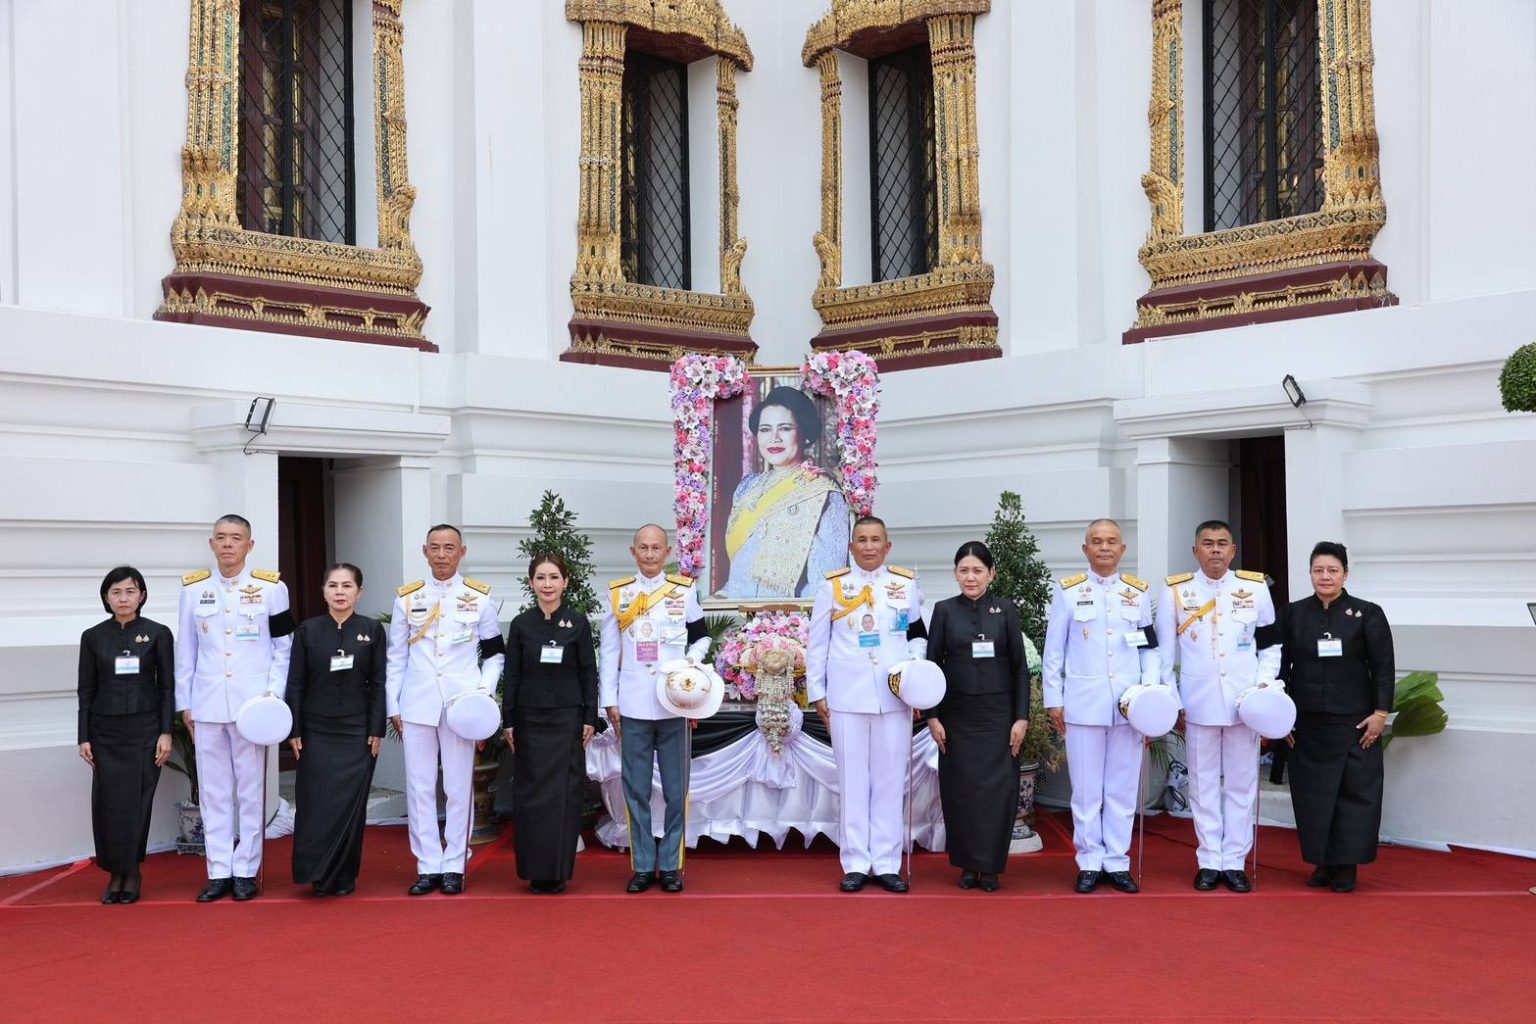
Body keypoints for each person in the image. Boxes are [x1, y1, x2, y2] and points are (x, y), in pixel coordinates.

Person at [1154, 520, 1281, 893]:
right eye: (1207, 543)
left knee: (1242, 785)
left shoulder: (1254, 588)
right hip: (1198, 703)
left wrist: (1263, 688)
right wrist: (1172, 699)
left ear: (1233, 550)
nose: (1215, 550)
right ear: (1195, 550)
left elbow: (1270, 645)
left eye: (1222, 543)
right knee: (1203, 785)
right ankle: (1210, 860)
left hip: (1245, 703)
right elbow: (1164, 654)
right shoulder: (1176, 590)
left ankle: (1235, 861)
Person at [806, 515, 927, 893]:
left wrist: (914, 672)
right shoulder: (833, 586)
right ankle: (856, 862)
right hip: (847, 698)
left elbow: (917, 634)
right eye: (862, 539)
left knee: (890, 782)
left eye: (876, 540)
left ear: (887, 546)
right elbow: (817, 644)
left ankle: (887, 863)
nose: (869, 546)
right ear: (851, 546)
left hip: (894, 698)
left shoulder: (904, 585)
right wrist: (818, 693)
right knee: (853, 783)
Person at [176, 514, 294, 902]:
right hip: (208, 704)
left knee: (251, 791)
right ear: (212, 544)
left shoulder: (271, 589)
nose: (228, 544)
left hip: (252, 707)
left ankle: (245, 870)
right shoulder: (194, 590)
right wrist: (185, 703)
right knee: (213, 793)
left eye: (236, 538)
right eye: (221, 538)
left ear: (249, 545)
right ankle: (219, 871)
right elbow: (186, 651)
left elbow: (283, 647)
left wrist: (272, 697)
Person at [1042, 519, 1160, 894]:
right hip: (1083, 705)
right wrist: (1054, 699)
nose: (1104, 547)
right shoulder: (1068, 592)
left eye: (1111, 541)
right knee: (1087, 790)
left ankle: (1117, 861)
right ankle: (1090, 861)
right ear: (1086, 549)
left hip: (1129, 707)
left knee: (1122, 789)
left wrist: (1149, 695)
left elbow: (1149, 649)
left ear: (1122, 549)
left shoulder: (1136, 593)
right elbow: (1053, 650)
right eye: (1097, 541)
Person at [387, 524, 505, 897]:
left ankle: (454, 862)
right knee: (419, 786)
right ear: (425, 551)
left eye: (449, 547)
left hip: (462, 705)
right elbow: (395, 657)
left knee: (457, 786)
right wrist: (393, 704)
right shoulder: (408, 598)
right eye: (435, 547)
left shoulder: (479, 597)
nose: (442, 554)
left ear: (462, 552)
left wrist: (482, 694)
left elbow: (495, 655)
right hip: (417, 703)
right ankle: (427, 865)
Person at [1278, 541, 1395, 893]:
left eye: (1332, 570)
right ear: (1310, 574)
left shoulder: (1367, 613)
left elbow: (1383, 667)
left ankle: (1346, 866)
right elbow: (1279, 667)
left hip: (1354, 723)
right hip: (1307, 724)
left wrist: (1380, 713)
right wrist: (1281, 717)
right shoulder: (1294, 614)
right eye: (1319, 570)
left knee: (1352, 795)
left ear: (1345, 574)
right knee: (1313, 796)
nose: (1325, 576)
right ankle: (1322, 862)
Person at [601, 525, 711, 893]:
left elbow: (701, 636)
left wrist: (690, 664)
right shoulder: (619, 594)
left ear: (668, 552)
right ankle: (644, 865)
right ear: (633, 552)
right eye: (643, 548)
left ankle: (672, 865)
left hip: (674, 704)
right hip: (632, 704)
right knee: (635, 790)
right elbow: (609, 652)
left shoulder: (684, 590)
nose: (649, 554)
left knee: (677, 790)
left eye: (656, 548)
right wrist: (609, 700)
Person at [925, 541, 1028, 892]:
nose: (971, 577)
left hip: (998, 717)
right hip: (956, 718)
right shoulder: (943, 611)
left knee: (996, 793)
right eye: (964, 570)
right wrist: (933, 717)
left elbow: (1020, 668)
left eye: (978, 571)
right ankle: (967, 865)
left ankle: (991, 866)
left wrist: (1021, 718)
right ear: (955, 574)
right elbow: (931, 667)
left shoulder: (1006, 610)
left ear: (991, 574)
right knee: (961, 792)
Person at [285, 563, 386, 897]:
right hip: (316, 731)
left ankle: (343, 876)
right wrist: (294, 729)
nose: (340, 592)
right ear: (323, 591)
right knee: (315, 804)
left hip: (357, 732)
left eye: (347, 586)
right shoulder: (308, 631)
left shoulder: (372, 630)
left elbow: (379, 682)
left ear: (359, 592)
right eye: (333, 585)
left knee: (350, 808)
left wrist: (376, 728)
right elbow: (295, 682)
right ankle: (316, 873)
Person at [502, 553, 600, 894]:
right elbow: (512, 675)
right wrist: (509, 720)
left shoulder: (578, 622)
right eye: (541, 577)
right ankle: (534, 870)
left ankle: (557, 870)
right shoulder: (521, 624)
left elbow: (588, 673)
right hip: (529, 720)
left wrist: (590, 717)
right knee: (531, 795)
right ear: (531, 583)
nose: (548, 584)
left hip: (567, 720)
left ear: (565, 582)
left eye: (554, 577)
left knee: (563, 795)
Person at [78, 566, 174, 904]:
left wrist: (166, 732)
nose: (123, 598)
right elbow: (86, 690)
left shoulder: (158, 633)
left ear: (142, 596)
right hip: (104, 733)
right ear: (106, 597)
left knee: (137, 802)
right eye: (116, 592)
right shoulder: (93, 637)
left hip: (145, 731)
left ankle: (131, 873)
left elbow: (167, 688)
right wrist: (84, 736)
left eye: (130, 591)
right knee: (108, 804)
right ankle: (114, 873)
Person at [720, 385, 850, 599]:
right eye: (765, 429)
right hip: (738, 612)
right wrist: (724, 597)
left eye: (785, 428)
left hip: (789, 615)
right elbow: (741, 568)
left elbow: (826, 585)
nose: (774, 438)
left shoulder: (824, 493)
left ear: (804, 434)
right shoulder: (747, 487)